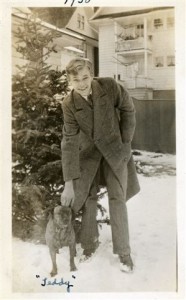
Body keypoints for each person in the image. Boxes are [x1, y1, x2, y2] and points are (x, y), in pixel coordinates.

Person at [60, 58, 140, 272]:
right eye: (76, 80)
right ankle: (89, 245)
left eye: (85, 77)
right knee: (88, 198)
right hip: (89, 155)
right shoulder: (69, 104)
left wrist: (125, 140)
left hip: (115, 150)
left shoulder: (109, 86)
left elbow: (128, 109)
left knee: (117, 198)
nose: (82, 83)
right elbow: (68, 141)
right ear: (70, 80)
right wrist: (69, 182)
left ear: (92, 74)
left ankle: (124, 253)